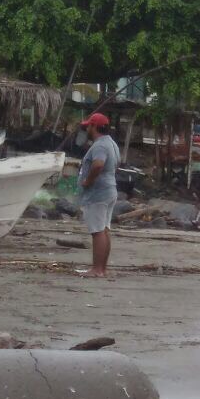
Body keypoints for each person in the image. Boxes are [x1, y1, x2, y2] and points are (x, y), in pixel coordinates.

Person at [77, 112, 121, 278]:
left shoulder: (100, 145)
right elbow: (116, 163)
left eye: (89, 125)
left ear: (94, 127)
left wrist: (88, 181)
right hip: (109, 189)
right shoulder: (112, 143)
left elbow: (98, 164)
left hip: (98, 193)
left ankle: (97, 269)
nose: (87, 128)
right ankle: (102, 268)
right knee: (104, 229)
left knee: (97, 231)